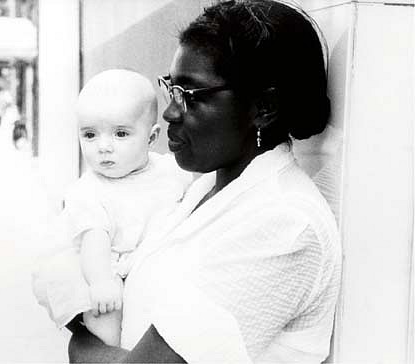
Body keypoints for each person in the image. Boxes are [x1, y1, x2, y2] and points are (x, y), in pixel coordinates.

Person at [67, 1, 342, 363]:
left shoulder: (287, 224)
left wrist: (82, 344)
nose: (169, 112)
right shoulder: (203, 188)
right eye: (170, 88)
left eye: (190, 95)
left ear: (263, 108)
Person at [32, 69, 192, 347]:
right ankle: (112, 352)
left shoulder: (168, 171)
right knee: (105, 314)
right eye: (90, 135)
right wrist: (101, 281)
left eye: (120, 134)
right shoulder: (89, 191)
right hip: (106, 267)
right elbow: (95, 239)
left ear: (152, 138)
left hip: (152, 261)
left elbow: (186, 204)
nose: (103, 147)